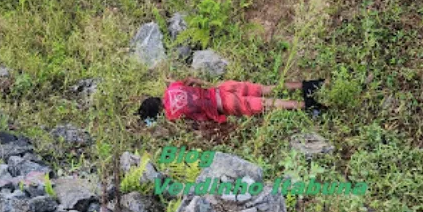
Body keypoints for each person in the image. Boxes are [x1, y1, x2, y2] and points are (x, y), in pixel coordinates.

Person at [137, 78, 325, 125]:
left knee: (267, 103)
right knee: (266, 88)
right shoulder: (172, 88)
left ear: (158, 113)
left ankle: (308, 106)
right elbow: (192, 79)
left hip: (226, 105)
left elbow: (200, 120)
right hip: (223, 88)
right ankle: (308, 85)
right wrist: (206, 86)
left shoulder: (172, 115)